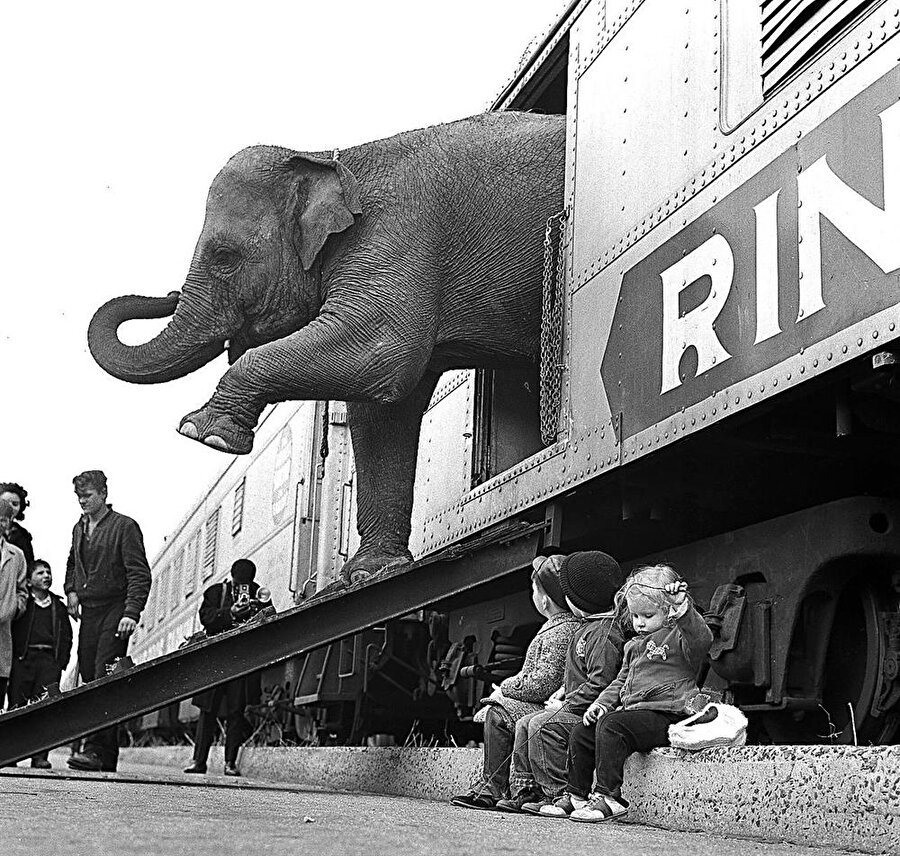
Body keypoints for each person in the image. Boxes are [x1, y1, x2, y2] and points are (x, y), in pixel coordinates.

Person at [562, 564, 714, 823]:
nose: (639, 622)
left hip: (669, 714)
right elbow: (620, 681)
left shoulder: (679, 637)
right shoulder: (633, 645)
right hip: (636, 716)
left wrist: (683, 608)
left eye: (648, 615)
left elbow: (702, 641)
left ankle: (609, 797)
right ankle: (576, 794)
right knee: (582, 732)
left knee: (612, 725)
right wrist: (601, 704)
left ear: (668, 612)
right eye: (634, 615)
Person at [500, 550, 626, 814]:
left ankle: (559, 793)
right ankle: (527, 789)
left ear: (577, 599)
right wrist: (562, 691)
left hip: (588, 713)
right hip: (577, 706)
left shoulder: (603, 635)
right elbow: (579, 675)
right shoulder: (588, 627)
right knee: (525, 723)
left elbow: (600, 682)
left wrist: (567, 704)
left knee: (541, 724)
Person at [450, 555, 580, 810]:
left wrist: (505, 689)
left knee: (498, 713)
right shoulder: (560, 627)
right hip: (550, 705)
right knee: (500, 708)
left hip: (549, 707)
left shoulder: (559, 632)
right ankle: (502, 786)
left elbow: (543, 683)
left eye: (534, 590)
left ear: (544, 600)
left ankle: (493, 787)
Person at [65, 470, 152, 772]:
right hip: (90, 610)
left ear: (103, 493)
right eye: (79, 497)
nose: (82, 501)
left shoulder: (124, 527)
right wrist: (71, 590)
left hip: (115, 608)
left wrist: (131, 612)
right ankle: (107, 755)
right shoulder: (79, 528)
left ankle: (95, 750)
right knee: (90, 672)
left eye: (87, 496)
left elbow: (139, 573)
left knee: (105, 672)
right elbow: (73, 562)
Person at [184, 559, 271, 777]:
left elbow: (270, 621)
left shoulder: (258, 594)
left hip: (239, 661)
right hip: (215, 660)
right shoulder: (216, 592)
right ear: (232, 578)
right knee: (207, 712)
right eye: (239, 584)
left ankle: (230, 763)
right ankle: (199, 761)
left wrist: (257, 610)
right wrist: (230, 612)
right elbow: (206, 618)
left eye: (246, 584)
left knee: (236, 712)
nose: (243, 589)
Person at [9, 559, 73, 768]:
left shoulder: (58, 606)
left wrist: (60, 663)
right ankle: (11, 754)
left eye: (48, 572)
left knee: (44, 709)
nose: (46, 576)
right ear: (29, 580)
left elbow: (67, 636)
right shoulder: (23, 604)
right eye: (40, 573)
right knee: (16, 706)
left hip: (48, 662)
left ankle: (39, 756)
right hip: (24, 660)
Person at [0, 498, 29, 705]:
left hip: (3, 633)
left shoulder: (16, 555)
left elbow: (22, 590)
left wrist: (14, 607)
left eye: (4, 519)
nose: (1, 524)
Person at [0, 483, 35, 572]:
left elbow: (29, 565)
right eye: (4, 502)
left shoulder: (23, 535)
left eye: (15, 504)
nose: (9, 507)